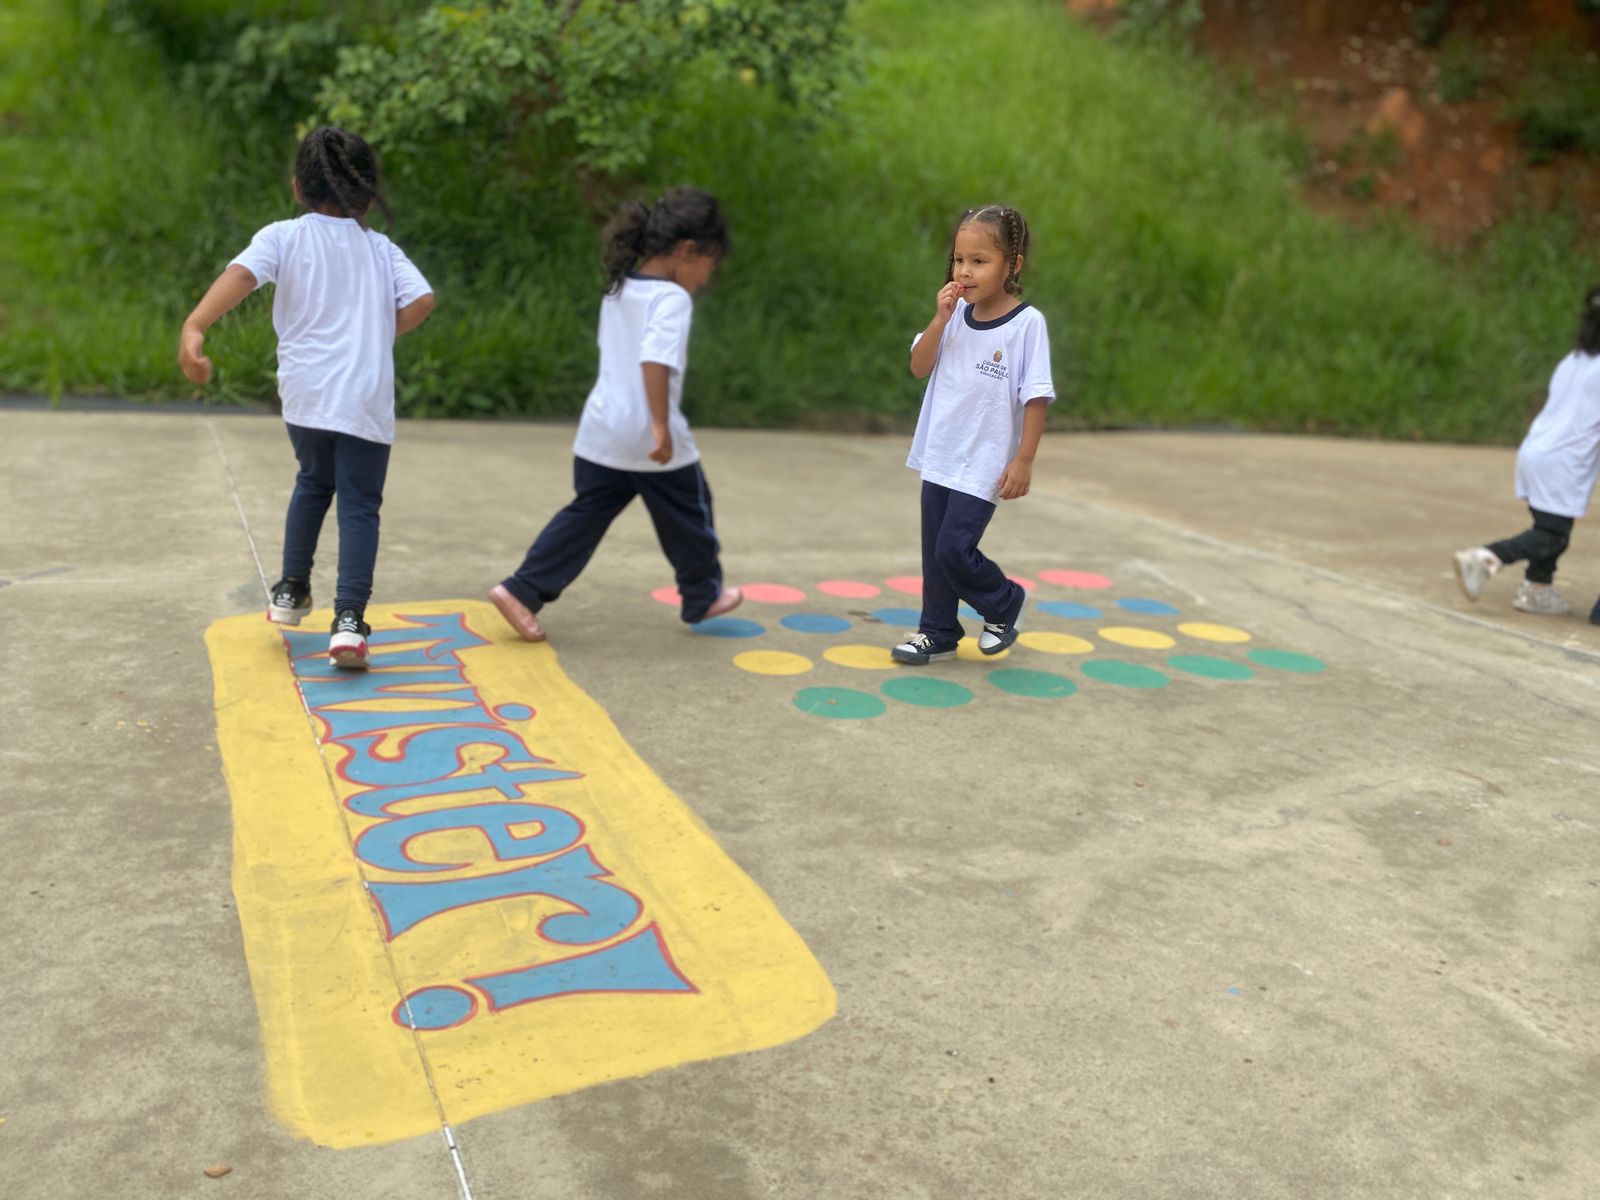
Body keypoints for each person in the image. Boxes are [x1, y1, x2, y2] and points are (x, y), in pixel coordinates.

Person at [178, 126, 434, 669]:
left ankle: (292, 588)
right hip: (363, 395)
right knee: (359, 503)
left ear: (298, 188)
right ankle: (349, 621)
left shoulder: (283, 237)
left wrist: (195, 326)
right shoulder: (381, 250)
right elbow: (422, 300)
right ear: (368, 195)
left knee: (313, 482)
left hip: (305, 394)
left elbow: (240, 276)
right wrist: (377, 333)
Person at [489, 187, 741, 642]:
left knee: (585, 516)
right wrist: (660, 425)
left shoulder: (619, 287)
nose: (707, 278)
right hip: (647, 434)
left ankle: (521, 589)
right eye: (710, 264)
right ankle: (701, 594)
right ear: (688, 250)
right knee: (691, 512)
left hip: (601, 431)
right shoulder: (671, 299)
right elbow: (654, 360)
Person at [891, 204, 1055, 665]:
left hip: (984, 461)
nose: (965, 271)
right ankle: (938, 630)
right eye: (959, 259)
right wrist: (940, 319)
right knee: (935, 552)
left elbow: (1036, 398)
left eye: (980, 261)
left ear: (1013, 265)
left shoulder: (1027, 325)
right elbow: (918, 366)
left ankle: (1003, 601)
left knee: (953, 549)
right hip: (940, 453)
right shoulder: (954, 317)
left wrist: (1023, 460)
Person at [1454, 285, 1600, 625]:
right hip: (1563, 460)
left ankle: (1537, 588)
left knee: (1551, 528)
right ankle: (1486, 557)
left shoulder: (1575, 359)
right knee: (1551, 535)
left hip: (1537, 450)